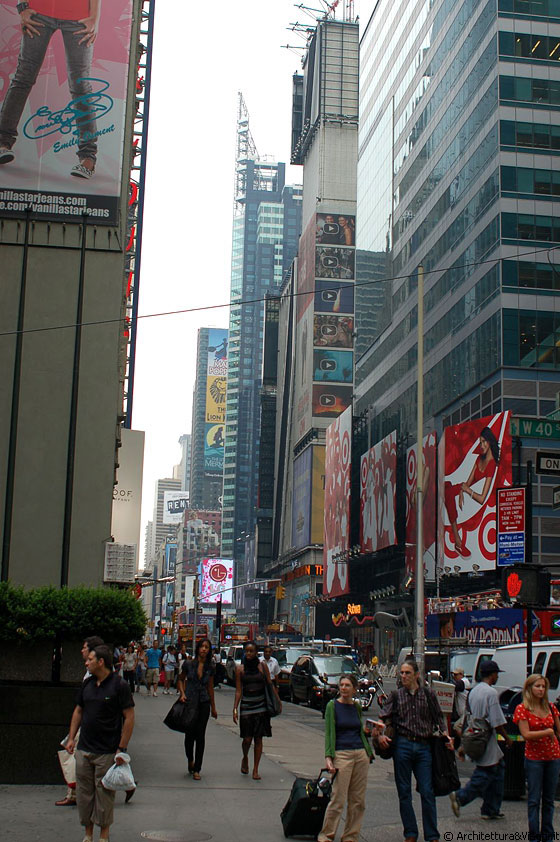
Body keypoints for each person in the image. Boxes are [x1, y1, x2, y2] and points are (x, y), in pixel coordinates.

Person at [0, 0, 101, 178]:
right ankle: (2, 142)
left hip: (78, 17)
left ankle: (88, 157)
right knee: (23, 77)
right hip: (39, 12)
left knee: (81, 86)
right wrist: (22, 6)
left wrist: (94, 17)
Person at [65, 644, 135, 842]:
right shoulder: (87, 685)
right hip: (84, 748)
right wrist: (71, 738)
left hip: (106, 751)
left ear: (101, 662)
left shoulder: (119, 686)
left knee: (104, 795)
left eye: (90, 659)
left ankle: (104, 836)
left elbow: (129, 717)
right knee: (84, 795)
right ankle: (88, 834)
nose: (86, 662)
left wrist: (121, 747)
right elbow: (78, 711)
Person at [379, 659, 453, 842]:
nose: (403, 676)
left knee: (427, 791)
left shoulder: (428, 695)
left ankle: (432, 835)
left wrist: (446, 736)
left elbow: (439, 719)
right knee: (404, 792)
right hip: (402, 745)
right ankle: (410, 833)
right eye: (401, 673)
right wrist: (380, 733)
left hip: (423, 747)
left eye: (407, 673)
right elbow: (383, 717)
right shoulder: (396, 695)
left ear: (417, 675)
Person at [449, 660, 512, 821]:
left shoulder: (474, 691)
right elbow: (496, 721)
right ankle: (461, 797)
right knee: (485, 772)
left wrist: (463, 743)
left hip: (474, 733)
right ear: (492, 675)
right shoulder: (490, 693)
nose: (497, 676)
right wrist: (507, 738)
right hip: (485, 736)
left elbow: (466, 717)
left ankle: (490, 808)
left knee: (498, 770)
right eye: (497, 673)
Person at [317, 674, 373, 842]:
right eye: (342, 685)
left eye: (348, 685)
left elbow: (357, 729)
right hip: (342, 754)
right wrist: (329, 757)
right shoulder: (332, 706)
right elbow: (329, 733)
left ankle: (350, 836)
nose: (343, 688)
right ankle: (326, 835)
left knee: (358, 801)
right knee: (338, 799)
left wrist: (368, 732)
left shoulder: (356, 706)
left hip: (360, 754)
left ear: (354, 689)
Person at [55, 635, 104, 807]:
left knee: (78, 757)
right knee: (77, 757)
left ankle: (75, 793)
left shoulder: (95, 675)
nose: (81, 651)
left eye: (85, 648)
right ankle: (74, 793)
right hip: (87, 723)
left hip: (90, 724)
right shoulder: (90, 672)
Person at [513, 674, 560, 842]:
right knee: (534, 800)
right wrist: (547, 732)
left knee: (549, 800)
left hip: (553, 756)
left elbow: (558, 731)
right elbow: (526, 734)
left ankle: (548, 836)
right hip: (534, 758)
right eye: (537, 686)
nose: (541, 690)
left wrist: (553, 735)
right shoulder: (522, 708)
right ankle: (534, 837)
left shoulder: (551, 707)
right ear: (529, 688)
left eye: (543, 686)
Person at [444, 427, 500, 558]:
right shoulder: (479, 459)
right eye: (480, 442)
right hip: (465, 489)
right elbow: (467, 482)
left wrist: (467, 491)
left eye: (484, 441)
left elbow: (482, 498)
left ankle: (457, 539)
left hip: (473, 495)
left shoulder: (492, 465)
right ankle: (457, 541)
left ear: (490, 441)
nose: (482, 445)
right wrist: (462, 491)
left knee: (447, 493)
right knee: (445, 487)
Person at [233, 640, 281, 780]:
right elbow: (238, 690)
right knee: (247, 739)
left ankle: (256, 769)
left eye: (251, 651)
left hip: (261, 706)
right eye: (246, 651)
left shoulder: (262, 666)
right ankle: (245, 757)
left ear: (256, 653)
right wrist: (235, 708)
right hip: (247, 706)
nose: (248, 653)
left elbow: (270, 683)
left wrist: (277, 700)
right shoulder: (240, 669)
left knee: (258, 738)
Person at [177, 637, 217, 780]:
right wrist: (182, 693)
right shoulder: (189, 664)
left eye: (207, 647)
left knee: (200, 736)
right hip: (190, 701)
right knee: (189, 735)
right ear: (198, 648)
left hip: (204, 702)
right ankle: (190, 759)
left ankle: (197, 768)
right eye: (202, 646)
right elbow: (180, 679)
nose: (204, 649)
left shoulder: (210, 667)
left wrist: (213, 707)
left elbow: (210, 687)